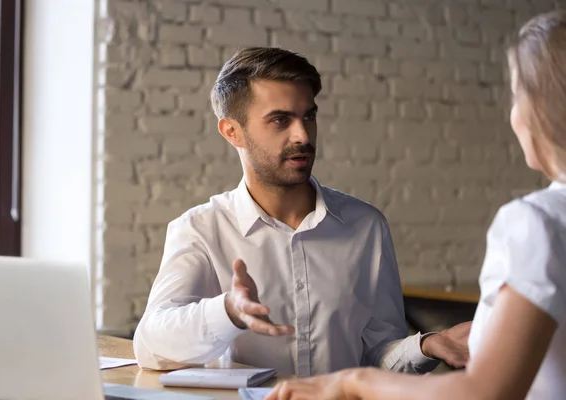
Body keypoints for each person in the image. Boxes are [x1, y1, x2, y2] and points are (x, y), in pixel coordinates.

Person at [266, 10, 566, 400]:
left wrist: (351, 382)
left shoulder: (535, 222)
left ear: (542, 107)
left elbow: (485, 393)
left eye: (516, 95)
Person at [133, 47, 470, 377]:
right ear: (232, 132)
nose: (303, 135)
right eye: (280, 120)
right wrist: (229, 312)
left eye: (308, 116)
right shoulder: (201, 229)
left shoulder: (366, 226)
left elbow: (378, 354)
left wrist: (424, 346)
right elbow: (150, 345)